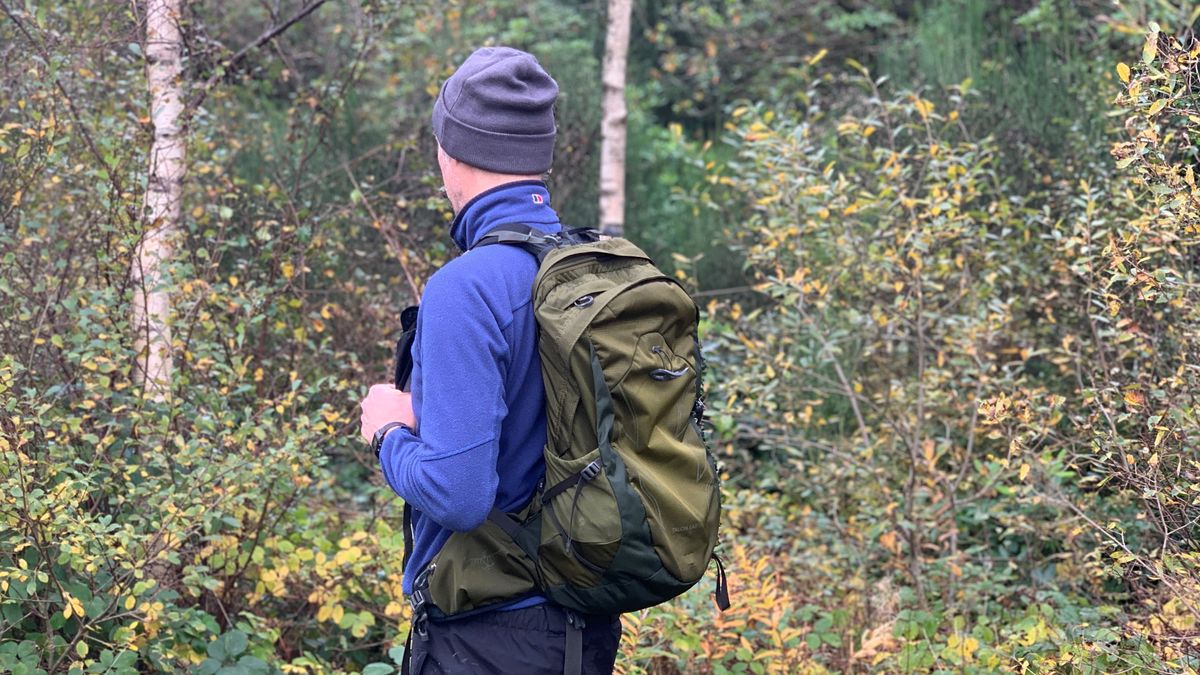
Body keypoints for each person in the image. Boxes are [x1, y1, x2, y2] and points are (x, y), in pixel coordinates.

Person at [358, 46, 623, 674]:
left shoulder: (468, 287)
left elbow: (459, 494)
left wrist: (388, 430)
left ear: (450, 152)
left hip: (487, 639)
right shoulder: (593, 270)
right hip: (584, 631)